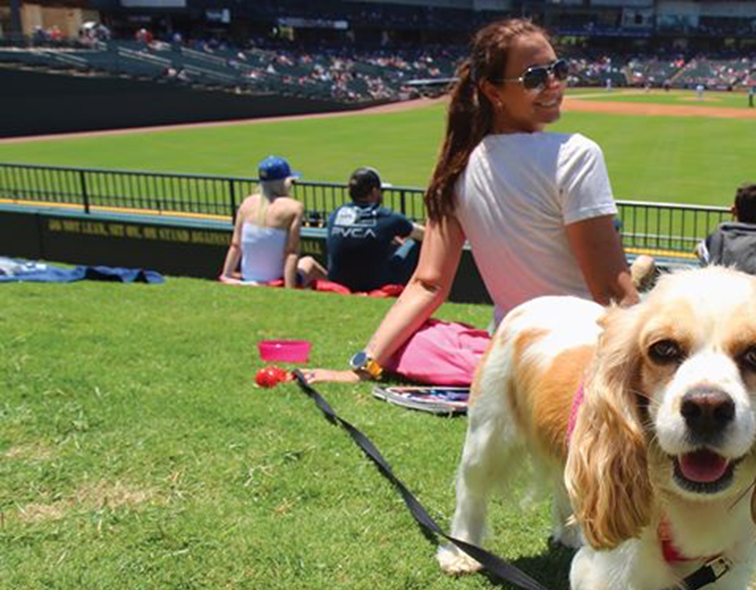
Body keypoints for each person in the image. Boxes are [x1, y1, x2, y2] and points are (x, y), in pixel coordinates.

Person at [302, 19, 639, 384]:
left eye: (559, 69)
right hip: (576, 359)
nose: (554, 83)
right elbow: (610, 290)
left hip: (510, 361)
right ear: (493, 91)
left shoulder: (455, 169)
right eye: (535, 77)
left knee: (428, 338)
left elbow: (427, 285)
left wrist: (363, 368)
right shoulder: (576, 154)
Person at [219, 156, 325, 288]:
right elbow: (291, 253)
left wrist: (226, 276)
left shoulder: (247, 203)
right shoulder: (294, 207)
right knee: (309, 262)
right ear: (284, 182)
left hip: (247, 278)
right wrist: (289, 290)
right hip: (276, 281)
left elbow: (235, 245)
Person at [326, 167, 425, 292]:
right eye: (381, 191)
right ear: (374, 191)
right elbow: (424, 235)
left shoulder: (336, 214)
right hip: (377, 283)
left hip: (339, 281)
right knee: (414, 242)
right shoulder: (386, 216)